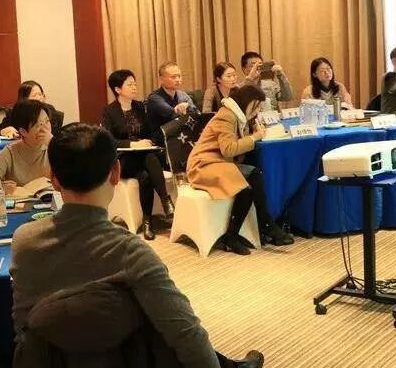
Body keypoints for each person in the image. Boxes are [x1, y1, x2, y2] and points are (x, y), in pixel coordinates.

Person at [11, 124, 264, 368]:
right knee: (162, 321)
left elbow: (23, 330)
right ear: (115, 173)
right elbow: (187, 336)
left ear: (54, 180)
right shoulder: (131, 253)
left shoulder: (24, 241)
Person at [187, 85, 294, 255]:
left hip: (219, 163)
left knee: (254, 174)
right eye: (256, 106)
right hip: (204, 165)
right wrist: (254, 137)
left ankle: (250, 229)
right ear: (249, 102)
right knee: (245, 187)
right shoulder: (227, 115)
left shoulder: (239, 116)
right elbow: (228, 149)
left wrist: (252, 134)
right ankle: (259, 227)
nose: (257, 111)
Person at [101, 69, 175, 240]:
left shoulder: (140, 107)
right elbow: (108, 139)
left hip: (143, 157)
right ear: (117, 89)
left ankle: (147, 221)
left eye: (135, 84)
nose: (134, 87)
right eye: (130, 84)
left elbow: (150, 132)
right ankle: (166, 201)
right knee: (148, 159)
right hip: (123, 160)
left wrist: (149, 141)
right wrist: (132, 144)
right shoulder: (109, 111)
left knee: (145, 175)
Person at [0, 99, 52, 193]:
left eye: (47, 121)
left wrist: (53, 145)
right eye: (39, 125)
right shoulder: (10, 152)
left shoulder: (55, 147)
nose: (46, 128)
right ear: (23, 131)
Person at [0, 80, 64, 138]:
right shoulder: (15, 112)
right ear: (24, 99)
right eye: (34, 95)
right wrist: (4, 131)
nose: (39, 98)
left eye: (40, 94)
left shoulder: (49, 110)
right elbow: (0, 128)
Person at [146, 62, 198, 134]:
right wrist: (185, 109)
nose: (177, 79)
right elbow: (174, 115)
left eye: (179, 76)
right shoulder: (154, 98)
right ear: (161, 79)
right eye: (173, 77)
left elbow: (196, 114)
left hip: (181, 134)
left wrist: (187, 105)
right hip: (162, 137)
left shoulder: (183, 95)